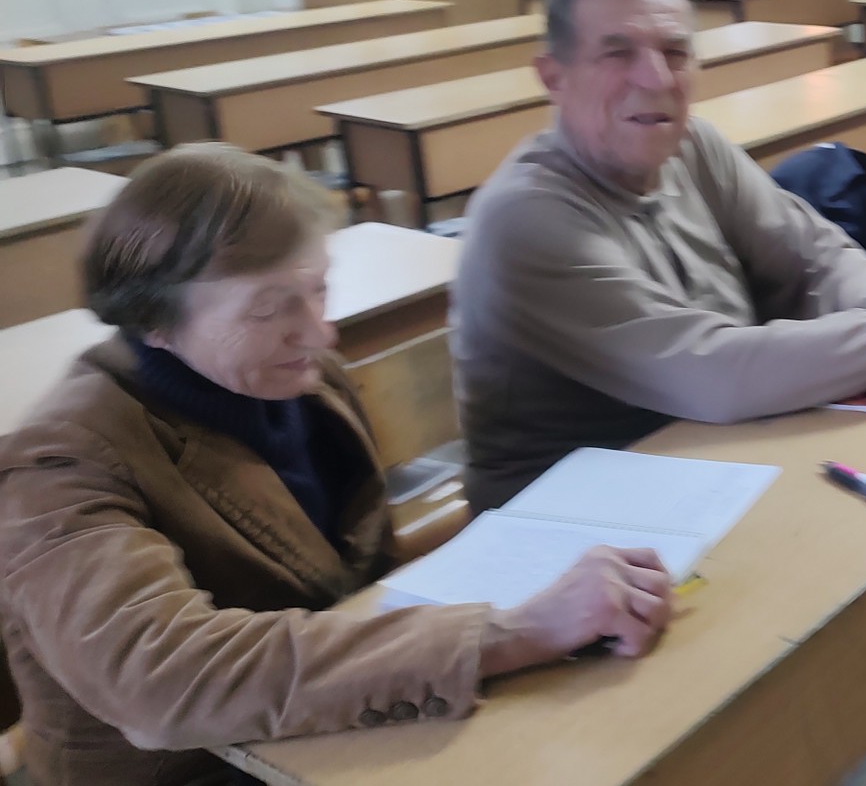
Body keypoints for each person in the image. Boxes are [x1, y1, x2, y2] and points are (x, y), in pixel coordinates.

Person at [0, 146, 677, 786]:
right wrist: (514, 632)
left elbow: (354, 575)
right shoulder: (61, 460)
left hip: (329, 726)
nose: (320, 332)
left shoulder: (305, 381)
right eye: (271, 308)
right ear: (155, 322)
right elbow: (161, 680)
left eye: (319, 290)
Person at [454, 0, 866, 513]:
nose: (655, 78)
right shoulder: (526, 217)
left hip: (715, 452)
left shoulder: (693, 145)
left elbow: (818, 255)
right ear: (553, 77)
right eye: (617, 53)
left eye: (675, 52)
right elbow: (711, 372)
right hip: (568, 516)